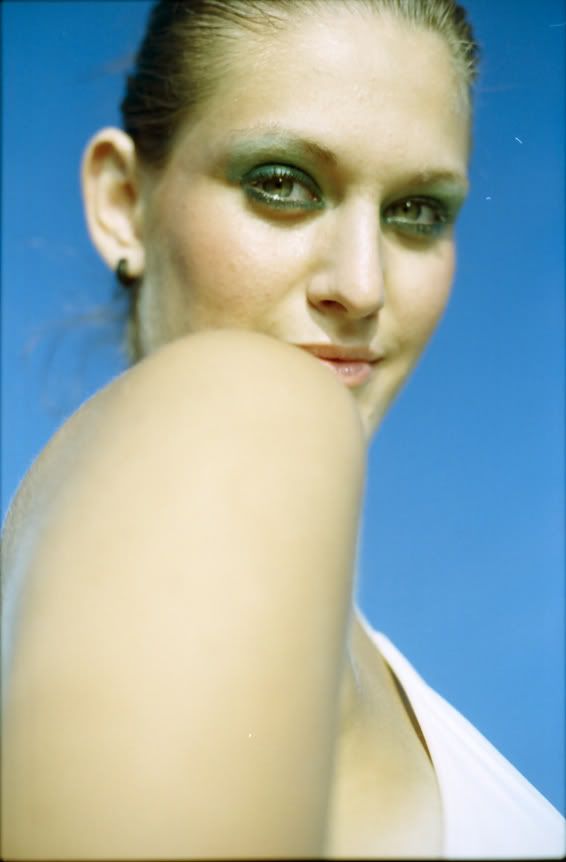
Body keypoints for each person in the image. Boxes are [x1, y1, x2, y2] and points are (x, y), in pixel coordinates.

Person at [1, 0, 564, 858]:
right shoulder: (239, 403)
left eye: (417, 210)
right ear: (123, 202)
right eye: (282, 183)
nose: (363, 286)